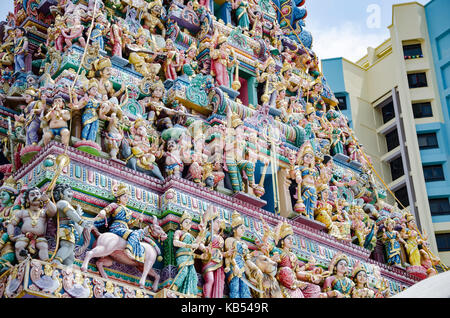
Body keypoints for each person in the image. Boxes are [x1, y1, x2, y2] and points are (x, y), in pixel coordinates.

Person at [93, 184, 147, 263]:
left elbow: (129, 225)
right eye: (125, 196)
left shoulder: (129, 211)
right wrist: (103, 212)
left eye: (127, 197)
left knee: (137, 233)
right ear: (119, 197)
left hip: (124, 229)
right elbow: (107, 209)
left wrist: (137, 220)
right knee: (135, 234)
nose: (126, 199)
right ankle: (128, 250)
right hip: (116, 228)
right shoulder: (115, 205)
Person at [172, 211, 203, 296]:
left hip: (190, 258)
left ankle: (188, 294)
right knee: (183, 272)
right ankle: (173, 289)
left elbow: (196, 244)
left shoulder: (191, 236)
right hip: (181, 256)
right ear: (181, 224)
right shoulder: (179, 232)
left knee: (194, 276)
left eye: (190, 223)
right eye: (186, 222)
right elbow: (175, 242)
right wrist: (189, 245)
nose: (188, 224)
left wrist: (201, 232)